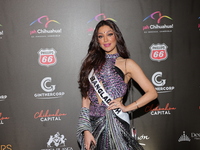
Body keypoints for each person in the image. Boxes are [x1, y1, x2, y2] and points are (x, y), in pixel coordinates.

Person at [77, 20, 157, 150]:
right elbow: (86, 100)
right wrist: (85, 130)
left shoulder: (127, 64)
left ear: (116, 36)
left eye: (109, 34)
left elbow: (152, 93)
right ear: (97, 40)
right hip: (93, 124)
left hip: (115, 124)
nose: (105, 39)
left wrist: (127, 107)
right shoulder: (90, 64)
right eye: (100, 36)